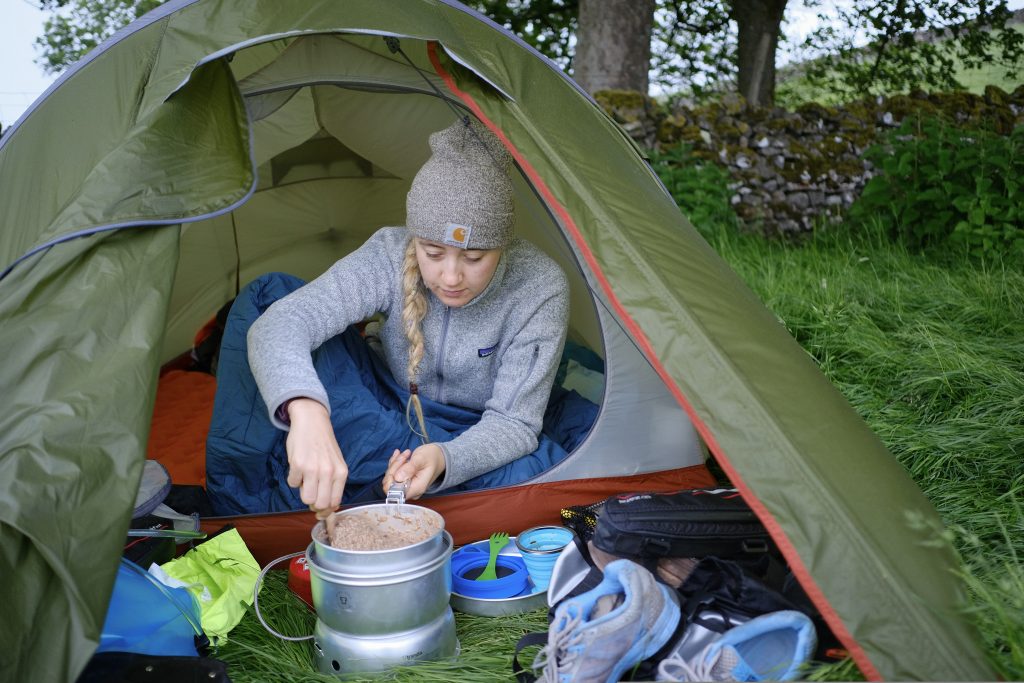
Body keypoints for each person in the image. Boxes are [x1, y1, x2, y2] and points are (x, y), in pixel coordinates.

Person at [244, 117, 570, 518]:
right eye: (432, 253)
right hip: (383, 402)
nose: (451, 277)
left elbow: (515, 424)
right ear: (413, 238)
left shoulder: (539, 284)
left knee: (547, 475)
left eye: (474, 258)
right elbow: (282, 321)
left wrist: (443, 459)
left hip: (468, 430)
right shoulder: (388, 252)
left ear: (503, 247)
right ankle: (251, 501)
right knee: (268, 295)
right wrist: (305, 409)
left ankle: (378, 471)